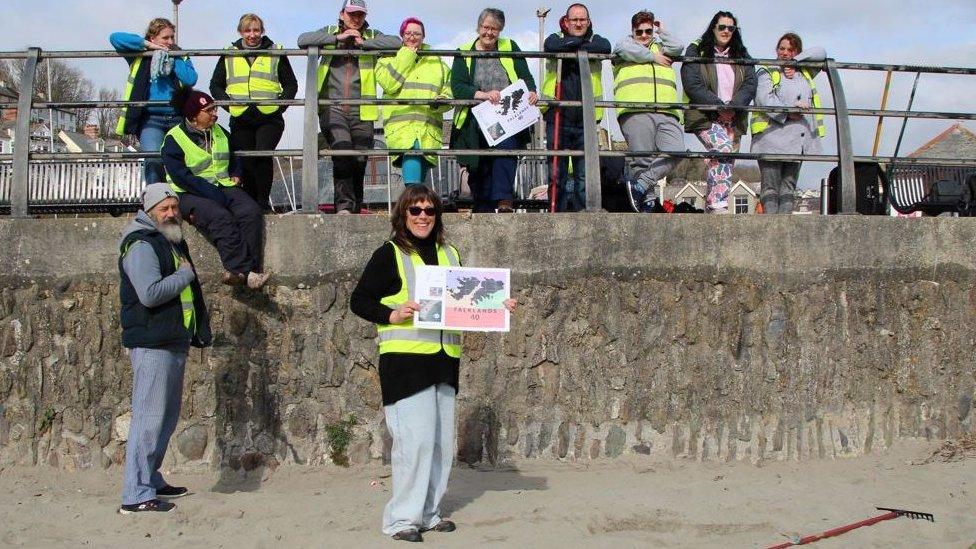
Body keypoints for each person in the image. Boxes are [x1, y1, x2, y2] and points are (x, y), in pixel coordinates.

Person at [350, 185, 517, 542]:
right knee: (415, 443)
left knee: (440, 443)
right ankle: (401, 520)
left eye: (429, 210)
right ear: (402, 216)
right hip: (406, 365)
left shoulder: (450, 253)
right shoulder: (389, 254)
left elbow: (468, 301)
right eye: (415, 210)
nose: (423, 216)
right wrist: (391, 314)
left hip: (444, 362)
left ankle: (429, 512)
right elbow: (359, 300)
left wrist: (498, 305)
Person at [118, 183, 212, 514]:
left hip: (171, 338)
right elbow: (150, 293)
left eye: (174, 207)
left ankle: (150, 479)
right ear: (149, 211)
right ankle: (135, 493)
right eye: (164, 209)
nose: (171, 213)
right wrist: (185, 276)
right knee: (149, 417)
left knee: (166, 417)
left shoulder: (168, 240)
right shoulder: (142, 244)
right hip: (152, 341)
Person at [297, 0, 402, 214]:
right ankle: (344, 206)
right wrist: (337, 39)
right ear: (342, 14)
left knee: (360, 160)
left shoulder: (371, 34)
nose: (356, 19)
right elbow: (302, 40)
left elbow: (396, 42)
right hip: (332, 108)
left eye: (360, 15)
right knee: (342, 153)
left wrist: (364, 44)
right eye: (352, 14)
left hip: (363, 110)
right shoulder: (329, 31)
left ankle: (356, 207)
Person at [161, 87, 270, 290]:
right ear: (194, 116)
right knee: (220, 216)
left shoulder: (219, 131)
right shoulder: (173, 139)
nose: (215, 114)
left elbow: (234, 155)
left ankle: (250, 271)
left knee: (251, 211)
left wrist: (237, 173)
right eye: (209, 110)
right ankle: (238, 270)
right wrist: (213, 194)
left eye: (214, 109)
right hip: (187, 194)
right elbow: (181, 177)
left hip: (222, 185)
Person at [451, 8, 539, 213]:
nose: (489, 33)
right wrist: (483, 94)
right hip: (475, 118)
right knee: (478, 166)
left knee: (504, 153)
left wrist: (532, 92)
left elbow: (525, 76)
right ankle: (483, 208)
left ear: (501, 31)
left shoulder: (510, 46)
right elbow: (458, 87)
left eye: (495, 29)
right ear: (478, 27)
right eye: (486, 27)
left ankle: (504, 200)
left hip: (505, 114)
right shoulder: (463, 51)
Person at [210, 13, 299, 211]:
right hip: (241, 116)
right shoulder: (229, 53)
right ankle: (251, 204)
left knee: (262, 154)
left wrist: (279, 106)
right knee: (245, 159)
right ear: (241, 32)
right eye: (248, 30)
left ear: (262, 31)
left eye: (256, 30)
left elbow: (291, 84)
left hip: (269, 116)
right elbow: (215, 85)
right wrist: (230, 106)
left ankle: (263, 203)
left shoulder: (276, 52)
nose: (252, 35)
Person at [680, 11, 757, 213]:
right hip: (705, 116)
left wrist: (733, 107)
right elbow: (692, 83)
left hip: (733, 116)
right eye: (722, 27)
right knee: (723, 148)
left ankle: (710, 206)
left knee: (725, 159)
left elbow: (750, 83)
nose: (726, 31)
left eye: (730, 28)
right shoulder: (697, 50)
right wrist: (718, 107)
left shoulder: (742, 54)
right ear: (713, 28)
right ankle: (718, 202)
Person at [612, 10, 686, 213]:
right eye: (640, 31)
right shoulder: (625, 45)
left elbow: (678, 46)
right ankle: (648, 204)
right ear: (632, 31)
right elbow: (623, 48)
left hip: (667, 110)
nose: (644, 35)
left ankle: (641, 186)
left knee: (677, 150)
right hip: (635, 110)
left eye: (648, 31)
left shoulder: (662, 46)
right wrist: (653, 57)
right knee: (642, 160)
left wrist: (663, 31)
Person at [110, 18, 198, 185]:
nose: (170, 41)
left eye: (172, 37)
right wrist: (151, 48)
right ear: (152, 38)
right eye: (165, 38)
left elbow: (190, 79)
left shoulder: (180, 55)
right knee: (153, 160)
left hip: (178, 118)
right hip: (151, 119)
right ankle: (155, 203)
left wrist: (175, 57)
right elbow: (115, 38)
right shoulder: (141, 55)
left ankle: (183, 204)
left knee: (182, 161)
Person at [542, 3, 610, 212]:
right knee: (556, 174)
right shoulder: (555, 38)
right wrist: (578, 45)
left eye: (583, 20)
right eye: (575, 20)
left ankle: (585, 215)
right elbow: (551, 47)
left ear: (588, 22)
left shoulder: (597, 40)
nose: (579, 23)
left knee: (585, 175)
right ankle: (557, 216)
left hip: (586, 119)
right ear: (566, 21)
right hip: (558, 116)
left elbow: (604, 48)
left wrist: (572, 45)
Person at [750, 33, 827, 214]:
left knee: (788, 187)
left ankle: (784, 227)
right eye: (782, 48)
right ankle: (772, 226)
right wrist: (788, 111)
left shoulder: (804, 72)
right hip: (771, 139)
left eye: (790, 50)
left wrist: (796, 62)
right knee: (770, 188)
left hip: (796, 140)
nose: (785, 53)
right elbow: (763, 99)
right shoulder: (767, 71)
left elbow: (821, 53)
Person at [375, 18, 452, 186]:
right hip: (402, 127)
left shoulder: (436, 61)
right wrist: (408, 54)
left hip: (428, 127)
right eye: (408, 33)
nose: (412, 37)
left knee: (418, 180)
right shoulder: (387, 59)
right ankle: (410, 208)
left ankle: (412, 208)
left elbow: (449, 92)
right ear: (401, 36)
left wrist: (441, 101)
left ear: (424, 37)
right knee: (413, 180)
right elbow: (389, 83)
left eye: (417, 33)